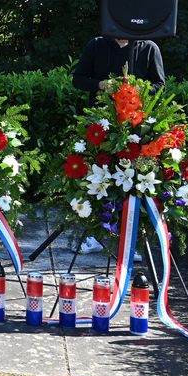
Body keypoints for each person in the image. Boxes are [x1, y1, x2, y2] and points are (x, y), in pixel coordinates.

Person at [72, 35, 163, 257]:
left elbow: (160, 84)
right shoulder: (96, 44)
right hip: (100, 125)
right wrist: (101, 85)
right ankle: (93, 235)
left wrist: (136, 90)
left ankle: (131, 240)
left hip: (135, 126)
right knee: (96, 178)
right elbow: (78, 79)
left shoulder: (149, 47)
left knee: (132, 180)